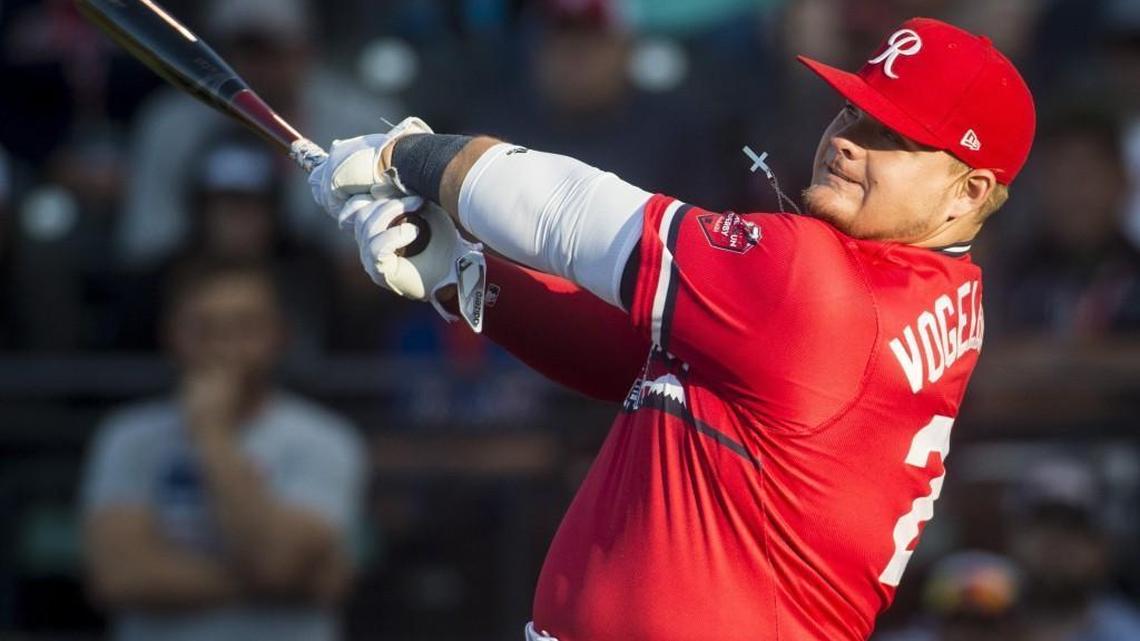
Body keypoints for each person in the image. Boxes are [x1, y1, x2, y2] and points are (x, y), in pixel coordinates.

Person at [310, 17, 1035, 641]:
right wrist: (468, 280)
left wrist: (403, 156)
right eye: (852, 112)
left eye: (893, 136)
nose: (848, 141)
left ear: (969, 192)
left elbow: (574, 214)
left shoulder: (822, 286)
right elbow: (641, 357)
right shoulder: (915, 287)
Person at [80, 259, 366, 641]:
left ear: (280, 335)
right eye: (204, 328)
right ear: (172, 334)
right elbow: (117, 577)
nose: (224, 347)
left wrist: (212, 434)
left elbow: (277, 562)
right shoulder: (127, 437)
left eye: (244, 327)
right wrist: (290, 585)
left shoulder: (326, 440)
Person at [1007, 457, 1140, 641]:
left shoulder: (1127, 634)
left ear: (1101, 547)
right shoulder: (976, 622)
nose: (1056, 542)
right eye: (1043, 524)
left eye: (1073, 528)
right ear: (1014, 537)